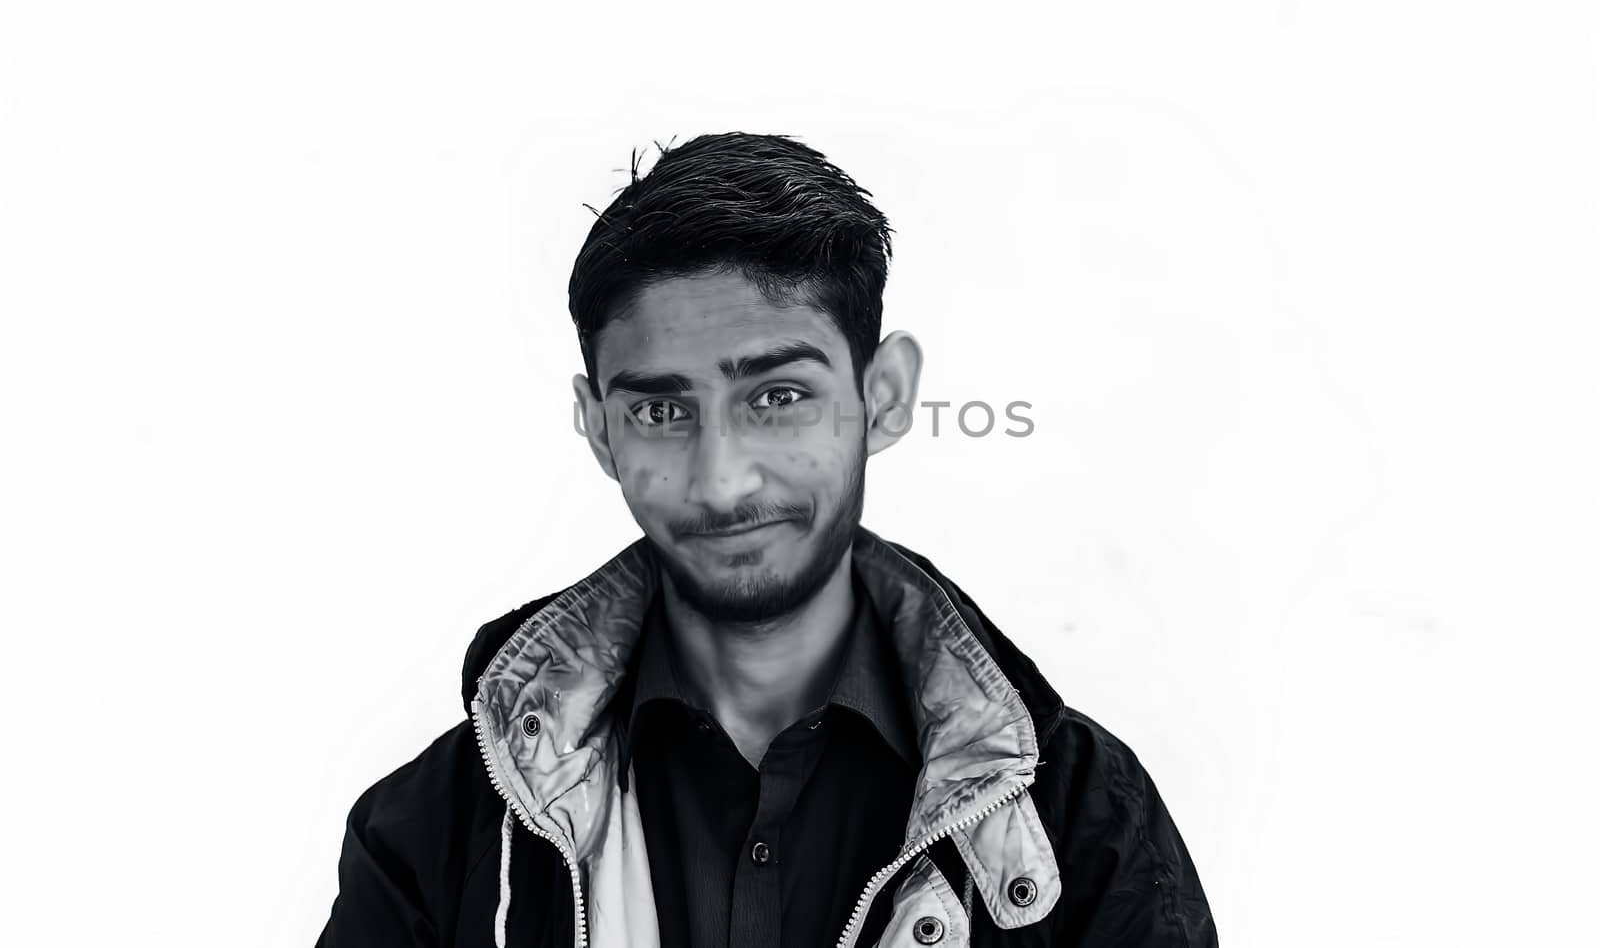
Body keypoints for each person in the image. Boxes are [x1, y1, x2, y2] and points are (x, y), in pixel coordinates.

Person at [316, 132, 1217, 947]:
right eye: (662, 410)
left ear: (887, 394)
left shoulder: (1078, 820)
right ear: (598, 429)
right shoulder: (441, 833)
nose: (722, 478)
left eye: (777, 398)